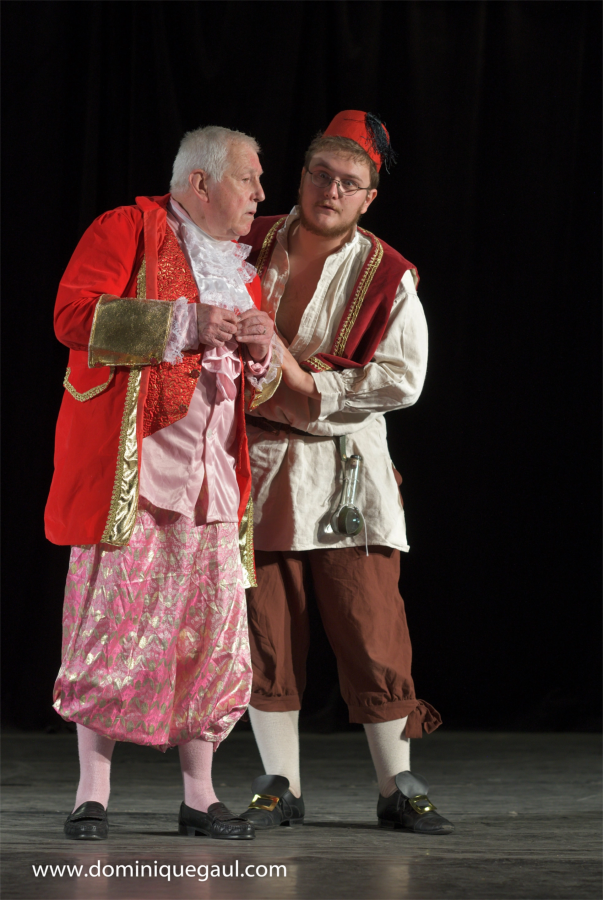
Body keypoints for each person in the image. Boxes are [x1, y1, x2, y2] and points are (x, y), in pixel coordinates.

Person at [46, 125, 280, 841]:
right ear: (201, 182)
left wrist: (263, 355)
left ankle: (200, 797)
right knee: (111, 632)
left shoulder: (240, 268)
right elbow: (73, 317)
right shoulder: (128, 229)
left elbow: (247, 389)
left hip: (215, 484)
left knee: (209, 641)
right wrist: (186, 320)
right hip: (139, 474)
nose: (261, 194)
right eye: (249, 178)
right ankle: (91, 794)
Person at [238, 111, 453, 835]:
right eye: (320, 174)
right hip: (256, 465)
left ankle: (397, 783)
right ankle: (280, 783)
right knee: (265, 626)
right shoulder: (243, 244)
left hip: (343, 472)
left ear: (368, 197)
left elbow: (402, 378)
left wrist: (306, 385)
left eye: (348, 182)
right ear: (301, 176)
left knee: (370, 626)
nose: (330, 190)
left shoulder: (388, 273)